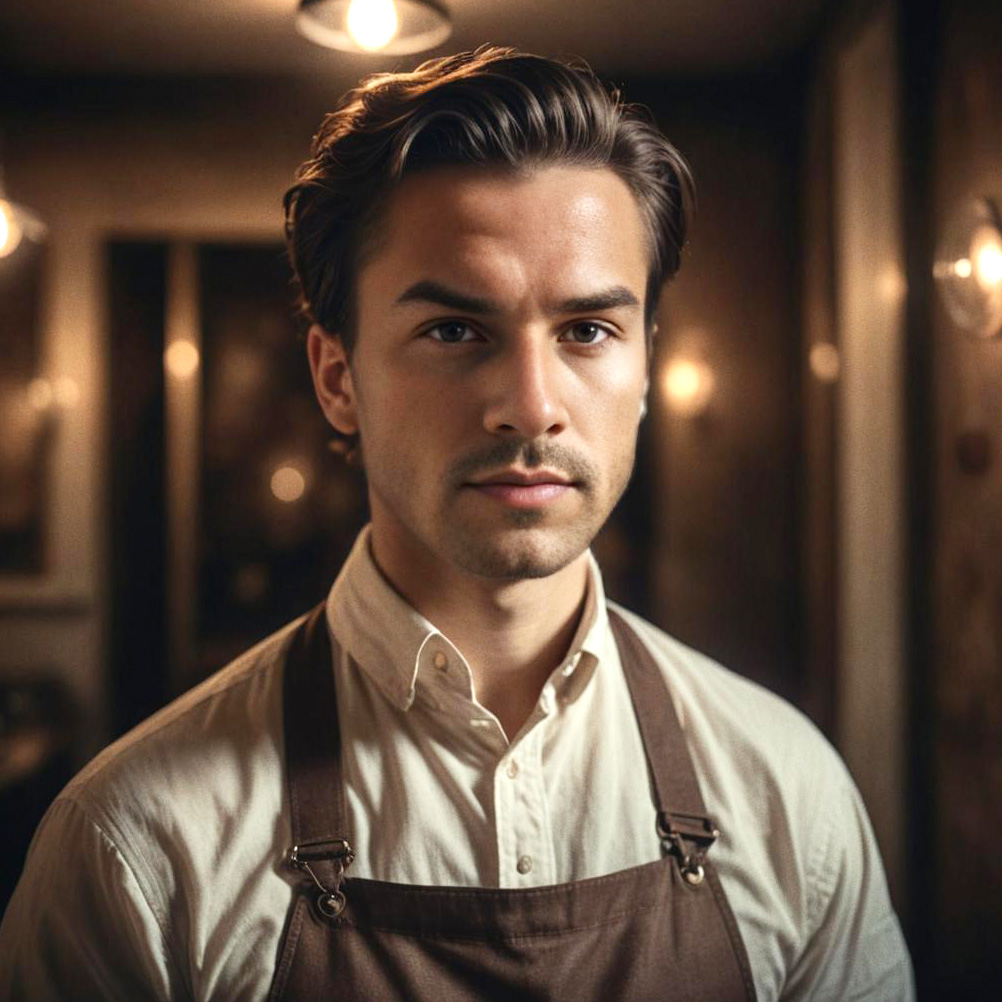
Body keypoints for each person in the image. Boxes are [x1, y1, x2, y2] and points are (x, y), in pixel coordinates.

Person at [0, 47, 913, 1001]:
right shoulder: (137, 846)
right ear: (337, 378)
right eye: (453, 330)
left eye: (587, 331)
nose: (530, 405)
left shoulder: (788, 796)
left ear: (643, 367)